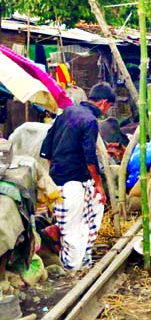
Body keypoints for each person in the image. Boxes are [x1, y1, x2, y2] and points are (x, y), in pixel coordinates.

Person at [39, 83, 115, 270]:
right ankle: (74, 271)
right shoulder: (90, 121)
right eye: (109, 107)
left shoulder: (66, 112)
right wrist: (99, 185)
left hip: (62, 179)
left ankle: (84, 263)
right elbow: (90, 157)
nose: (107, 111)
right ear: (104, 103)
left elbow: (46, 148)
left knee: (79, 223)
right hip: (74, 182)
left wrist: (57, 171)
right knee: (75, 228)